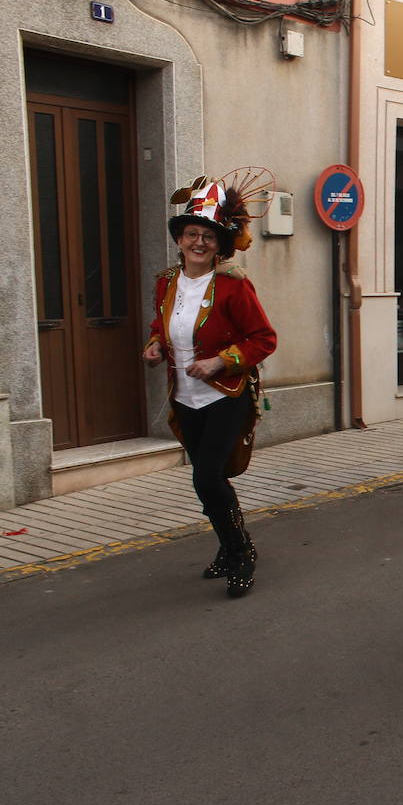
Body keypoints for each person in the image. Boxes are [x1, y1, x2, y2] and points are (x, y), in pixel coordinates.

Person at [142, 174, 277, 598]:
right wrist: (154, 344)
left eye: (208, 236)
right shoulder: (166, 283)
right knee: (210, 481)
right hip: (184, 397)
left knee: (206, 479)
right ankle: (230, 545)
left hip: (225, 395)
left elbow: (264, 339)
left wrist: (221, 361)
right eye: (191, 234)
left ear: (219, 244)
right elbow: (162, 324)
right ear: (179, 239)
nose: (198, 242)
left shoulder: (234, 286)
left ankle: (240, 553)